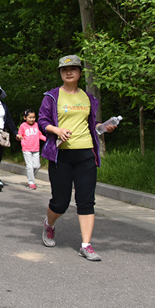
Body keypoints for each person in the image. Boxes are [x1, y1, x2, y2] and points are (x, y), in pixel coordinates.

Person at [38, 55, 116, 261]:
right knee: (60, 202)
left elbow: (92, 125)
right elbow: (42, 121)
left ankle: (86, 245)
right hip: (61, 155)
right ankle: (49, 224)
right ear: (60, 73)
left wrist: (103, 127)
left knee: (86, 200)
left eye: (73, 69)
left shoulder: (89, 98)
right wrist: (57, 130)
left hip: (86, 153)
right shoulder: (52, 96)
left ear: (80, 72)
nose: (68, 72)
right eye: (64, 70)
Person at [16, 109, 45, 189]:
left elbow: (39, 135)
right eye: (30, 117)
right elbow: (19, 135)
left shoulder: (36, 125)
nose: (32, 119)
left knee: (37, 166)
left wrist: (47, 139)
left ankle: (30, 176)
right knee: (29, 166)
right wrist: (18, 137)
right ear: (25, 117)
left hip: (36, 148)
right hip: (26, 148)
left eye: (33, 117)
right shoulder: (23, 126)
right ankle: (31, 182)